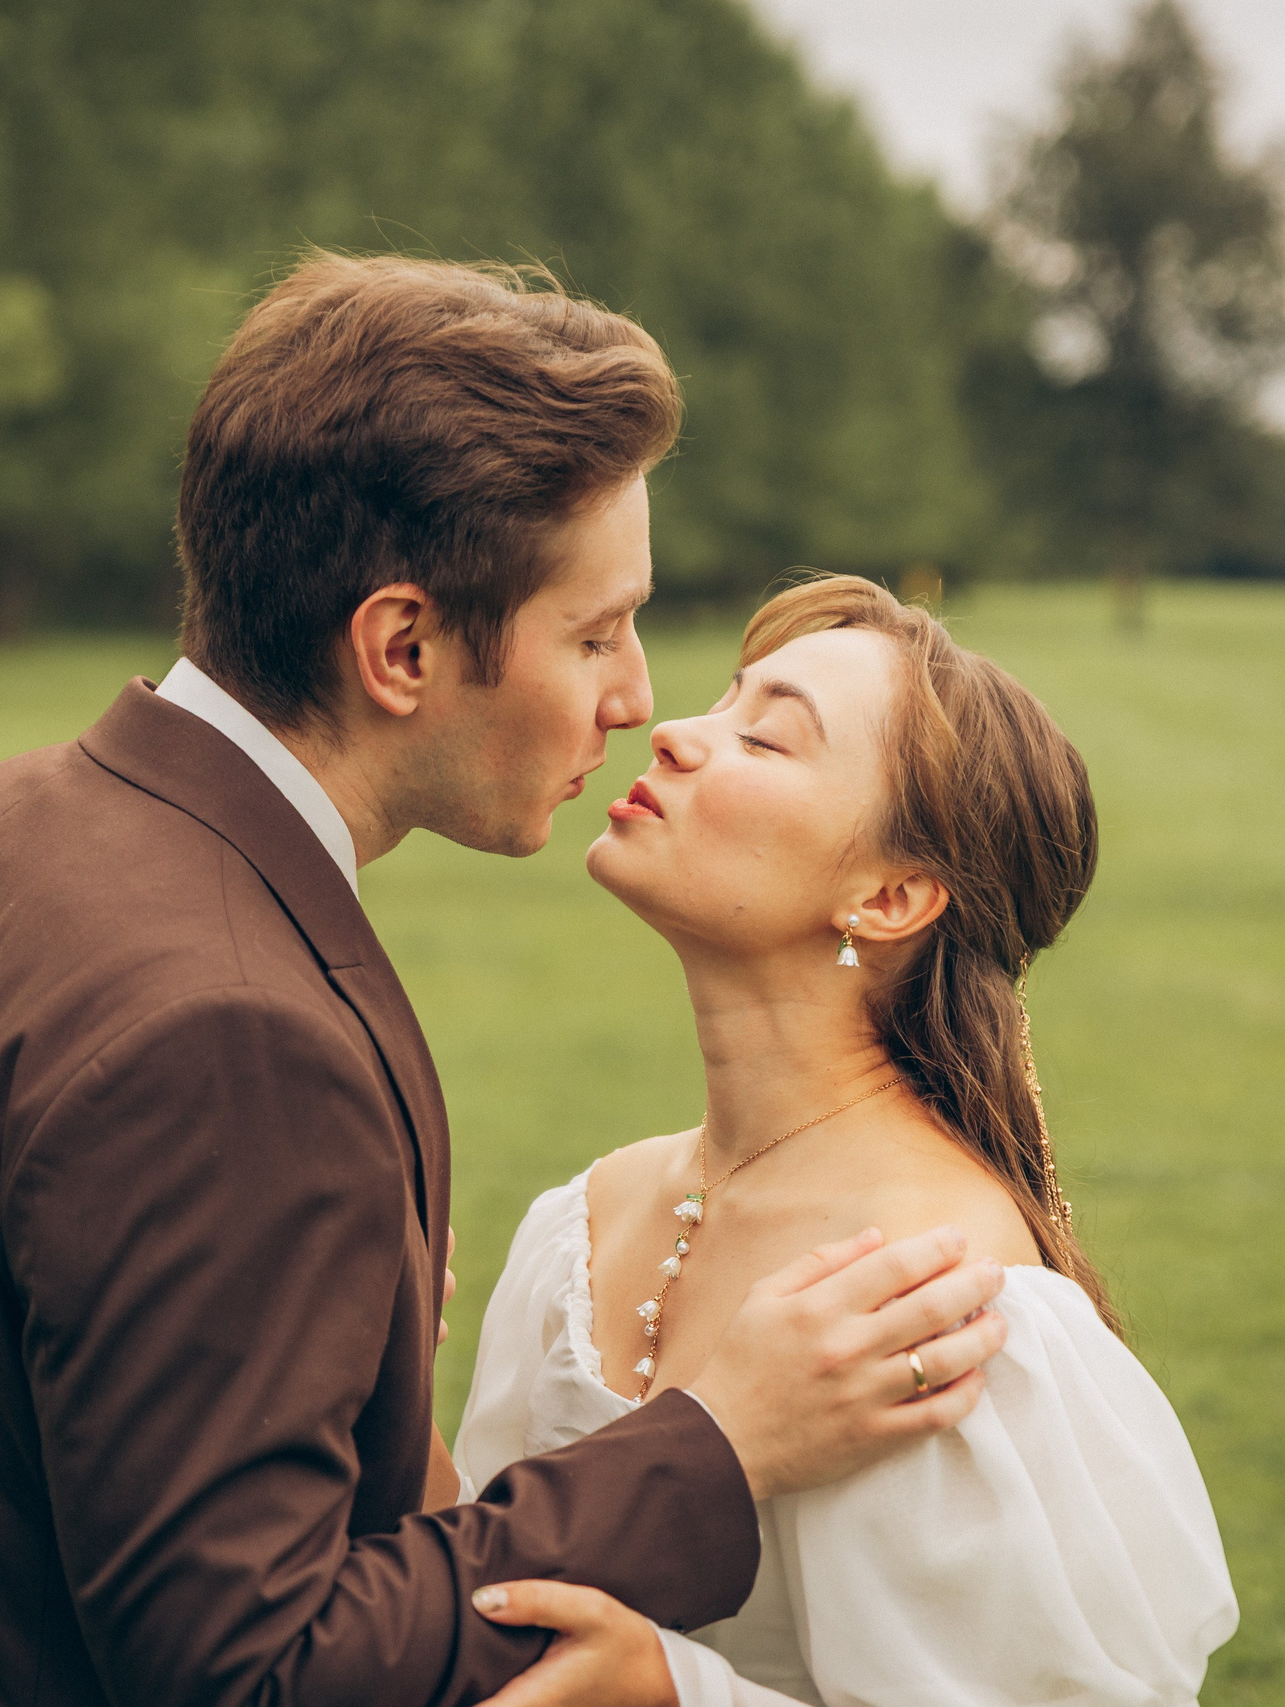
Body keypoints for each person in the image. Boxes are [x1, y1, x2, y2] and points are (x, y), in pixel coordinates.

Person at [0, 258, 1011, 1707]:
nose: (637, 695)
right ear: (403, 646)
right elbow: (259, 1667)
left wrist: (279, 1356)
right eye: (594, 631)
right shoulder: (232, 1034)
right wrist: (720, 1438)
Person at [457, 575, 1240, 1706]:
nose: (671, 732)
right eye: (724, 703)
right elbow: (480, 1589)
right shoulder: (582, 1219)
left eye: (765, 739)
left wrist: (676, 1694)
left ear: (889, 897)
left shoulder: (940, 1304)